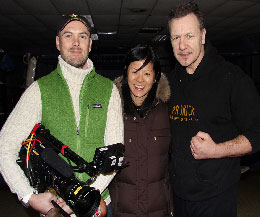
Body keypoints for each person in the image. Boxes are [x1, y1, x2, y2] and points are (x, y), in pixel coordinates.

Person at [0, 14, 123, 216]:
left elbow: (114, 153)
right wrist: (28, 196)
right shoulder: (40, 89)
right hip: (55, 208)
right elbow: (4, 148)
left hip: (98, 203)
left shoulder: (108, 89)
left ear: (90, 44)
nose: (76, 43)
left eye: (82, 36)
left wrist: (86, 196)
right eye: (68, 36)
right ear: (58, 42)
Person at [167, 3, 260, 217]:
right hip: (177, 195)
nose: (182, 46)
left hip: (216, 197)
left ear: (202, 35)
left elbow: (257, 134)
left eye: (189, 36)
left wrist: (216, 150)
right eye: (175, 38)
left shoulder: (232, 79)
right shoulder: (170, 82)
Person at [109, 44, 174, 217]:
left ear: (155, 77)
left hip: (159, 209)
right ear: (125, 72)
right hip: (122, 209)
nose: (140, 80)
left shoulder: (166, 111)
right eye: (134, 71)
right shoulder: (112, 110)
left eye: (147, 74)